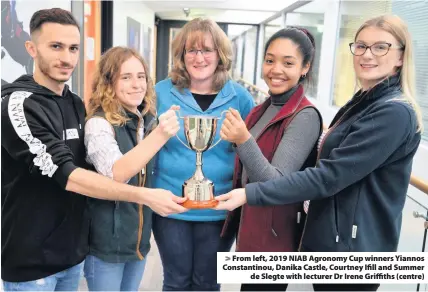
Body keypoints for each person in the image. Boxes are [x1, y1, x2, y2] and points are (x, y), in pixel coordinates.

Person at [215, 14, 423, 292]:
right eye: (360, 46)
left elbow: (328, 177)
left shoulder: (393, 112)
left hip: (354, 254)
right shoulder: (363, 101)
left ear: (400, 56)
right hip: (334, 243)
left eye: (380, 47)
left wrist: (250, 192)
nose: (367, 54)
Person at [1, 8, 186, 291]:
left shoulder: (75, 103)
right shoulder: (18, 104)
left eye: (73, 48)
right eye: (55, 46)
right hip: (32, 263)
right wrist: (144, 196)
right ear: (31, 48)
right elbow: (69, 175)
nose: (66, 57)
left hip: (72, 255)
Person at [153, 18, 255, 291]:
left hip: (219, 208)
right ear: (181, 55)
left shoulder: (240, 98)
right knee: (175, 282)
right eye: (191, 50)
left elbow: (251, 149)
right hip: (171, 206)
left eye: (207, 50)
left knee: (207, 283)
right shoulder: (160, 92)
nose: (199, 58)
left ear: (220, 55)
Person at [219, 27, 322, 292]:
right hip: (252, 228)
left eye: (288, 63)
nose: (276, 69)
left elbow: (277, 182)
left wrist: (243, 140)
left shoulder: (305, 116)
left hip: (275, 238)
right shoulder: (261, 109)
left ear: (305, 68)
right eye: (270, 60)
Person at [82, 47, 181, 291]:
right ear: (108, 82)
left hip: (137, 243)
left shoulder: (143, 119)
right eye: (126, 77)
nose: (137, 84)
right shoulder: (98, 123)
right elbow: (117, 174)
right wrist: (160, 135)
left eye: (141, 77)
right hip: (105, 246)